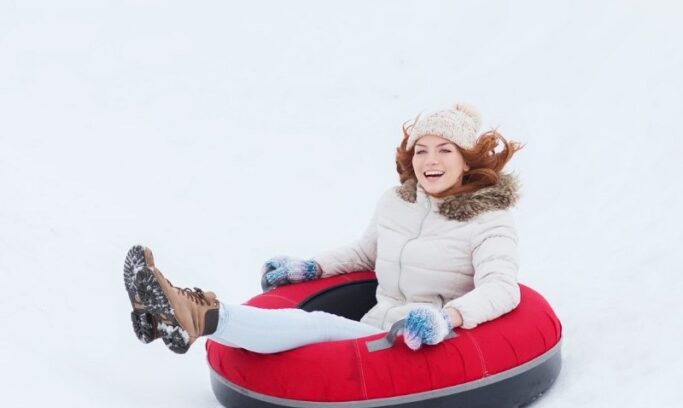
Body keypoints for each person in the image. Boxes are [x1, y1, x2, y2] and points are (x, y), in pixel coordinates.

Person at [123, 101, 524, 356]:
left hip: (422, 341)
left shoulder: (489, 220)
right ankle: (169, 318)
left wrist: (447, 318)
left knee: (312, 326)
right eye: (421, 150)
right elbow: (365, 254)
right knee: (306, 331)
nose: (429, 160)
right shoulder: (397, 203)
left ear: (467, 160)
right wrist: (309, 268)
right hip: (376, 324)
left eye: (444, 150)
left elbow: (502, 288)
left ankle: (196, 314)